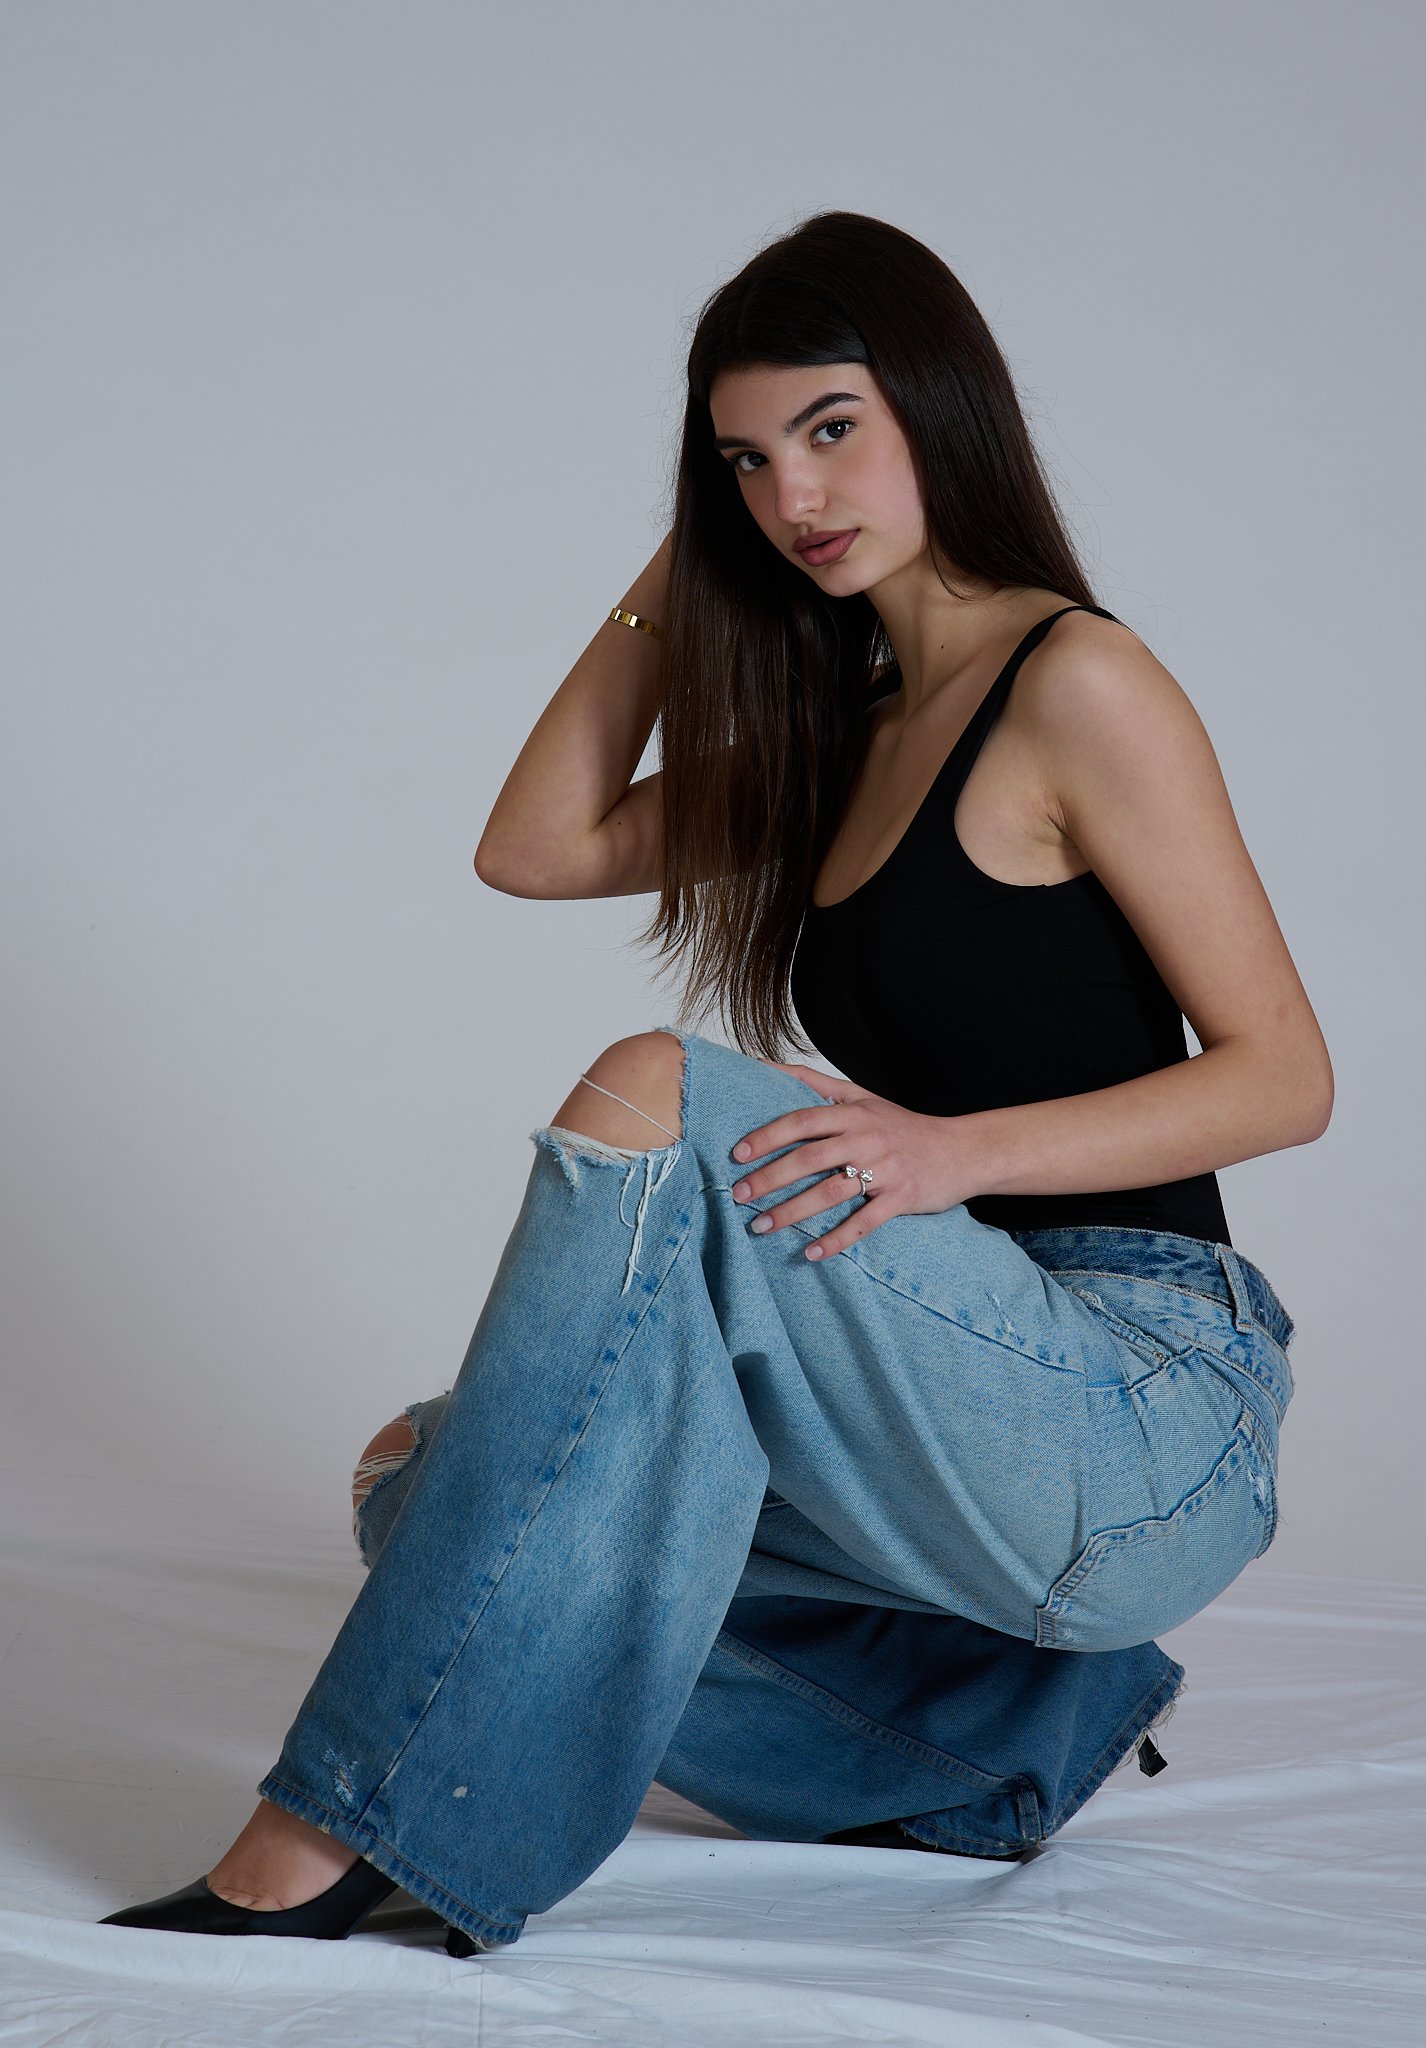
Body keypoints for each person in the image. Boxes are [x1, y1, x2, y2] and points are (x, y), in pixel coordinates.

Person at [99, 210, 1332, 1959]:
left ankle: (337, 1831)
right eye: (746, 461)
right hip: (946, 1403)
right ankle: (1002, 1736)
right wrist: (677, 574)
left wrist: (949, 1155)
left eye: (831, 430)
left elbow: (1286, 1077)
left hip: (1142, 1406)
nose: (794, 494)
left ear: (940, 406)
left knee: (658, 1088)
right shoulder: (841, 739)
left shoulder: (1079, 681)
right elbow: (536, 848)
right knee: (417, 1483)